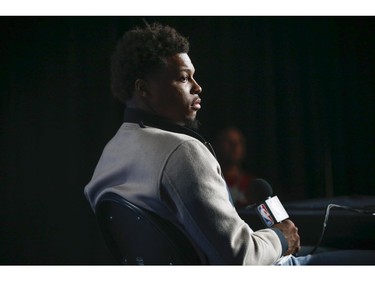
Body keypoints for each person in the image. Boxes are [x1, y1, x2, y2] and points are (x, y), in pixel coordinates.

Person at [84, 22, 375, 265]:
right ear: (143, 88)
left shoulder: (112, 152)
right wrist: (280, 236)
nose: (198, 87)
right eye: (184, 78)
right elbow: (240, 257)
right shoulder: (181, 151)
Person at [214, 127, 256, 208]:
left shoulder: (252, 184)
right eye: (228, 142)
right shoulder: (212, 181)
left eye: (239, 142)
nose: (235, 146)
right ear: (217, 146)